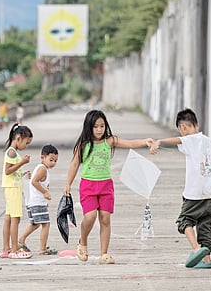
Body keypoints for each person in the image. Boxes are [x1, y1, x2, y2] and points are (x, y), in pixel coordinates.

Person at [63, 110, 153, 264]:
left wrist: (145, 141)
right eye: (96, 126)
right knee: (90, 217)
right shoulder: (83, 145)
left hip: (106, 186)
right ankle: (82, 242)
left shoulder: (109, 141)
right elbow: (74, 164)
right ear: (89, 127)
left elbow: (130, 143)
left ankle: (104, 254)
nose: (99, 129)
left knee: (105, 219)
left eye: (102, 126)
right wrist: (68, 184)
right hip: (88, 186)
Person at [150, 108, 211, 269]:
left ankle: (196, 249)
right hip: (210, 195)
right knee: (205, 227)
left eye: (180, 131)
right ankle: (207, 260)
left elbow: (177, 141)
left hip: (194, 194)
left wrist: (159, 141)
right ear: (196, 123)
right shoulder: (206, 140)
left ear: (183, 127)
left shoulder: (190, 139)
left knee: (184, 221)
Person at [0, 123, 34, 259]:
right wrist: (22, 163)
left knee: (8, 218)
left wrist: (22, 172)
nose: (26, 146)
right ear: (18, 138)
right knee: (15, 219)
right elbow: (8, 171)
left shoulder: (12, 151)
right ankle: (14, 248)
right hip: (13, 188)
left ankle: (6, 248)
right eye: (26, 142)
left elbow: (13, 171)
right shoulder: (12, 152)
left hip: (11, 186)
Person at [18, 144, 59, 255]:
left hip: (34, 202)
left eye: (55, 160)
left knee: (35, 224)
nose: (53, 163)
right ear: (42, 158)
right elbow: (34, 182)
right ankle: (42, 249)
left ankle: (21, 240)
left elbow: (35, 180)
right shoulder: (42, 169)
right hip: (37, 202)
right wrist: (45, 192)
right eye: (51, 160)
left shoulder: (40, 168)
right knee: (46, 224)